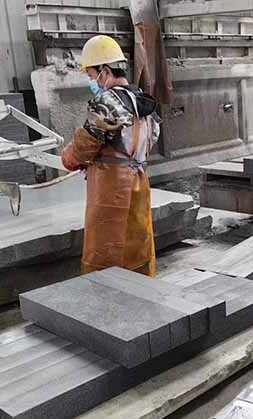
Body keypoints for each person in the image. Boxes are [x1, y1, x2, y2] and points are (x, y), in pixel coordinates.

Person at [62, 35, 161, 276]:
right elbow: (152, 137)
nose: (92, 81)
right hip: (139, 183)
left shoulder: (107, 102)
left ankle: (107, 298)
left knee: (105, 252)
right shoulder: (141, 100)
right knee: (137, 247)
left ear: (105, 71)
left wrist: (68, 158)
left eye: (91, 75)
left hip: (111, 188)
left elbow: (84, 147)